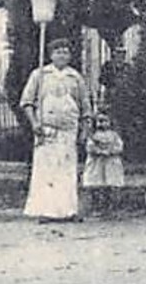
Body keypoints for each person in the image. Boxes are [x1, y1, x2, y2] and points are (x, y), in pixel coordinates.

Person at [19, 37, 94, 222]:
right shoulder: (40, 75)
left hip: (68, 131)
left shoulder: (75, 77)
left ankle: (68, 211)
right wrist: (34, 123)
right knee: (46, 171)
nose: (62, 55)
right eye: (58, 52)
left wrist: (84, 130)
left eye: (66, 52)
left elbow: (85, 107)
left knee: (67, 170)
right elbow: (27, 102)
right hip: (46, 131)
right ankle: (46, 211)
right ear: (51, 55)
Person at [81, 112, 126, 214]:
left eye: (104, 121)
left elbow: (119, 146)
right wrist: (99, 151)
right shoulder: (93, 135)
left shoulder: (114, 135)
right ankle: (96, 208)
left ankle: (110, 208)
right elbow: (90, 147)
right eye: (99, 121)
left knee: (110, 184)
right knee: (96, 185)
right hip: (97, 163)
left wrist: (110, 151)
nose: (102, 124)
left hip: (111, 163)